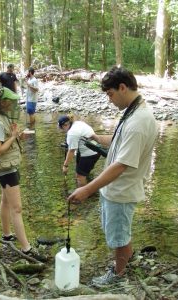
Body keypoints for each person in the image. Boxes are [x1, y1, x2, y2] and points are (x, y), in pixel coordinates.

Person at [68, 66, 158, 286]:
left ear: (123, 87)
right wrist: (97, 138)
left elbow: (121, 165)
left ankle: (118, 275)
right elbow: (120, 142)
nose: (110, 100)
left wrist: (87, 188)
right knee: (118, 233)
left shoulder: (139, 121)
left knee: (119, 237)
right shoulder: (132, 112)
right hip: (115, 190)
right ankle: (123, 264)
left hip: (121, 191)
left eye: (110, 95)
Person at [0, 87, 32, 254]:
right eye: (11, 101)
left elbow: (3, 142)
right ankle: (26, 248)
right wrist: (12, 137)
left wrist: (16, 136)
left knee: (5, 201)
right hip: (6, 170)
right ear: (3, 103)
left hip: (2, 168)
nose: (14, 104)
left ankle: (6, 236)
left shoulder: (0, 116)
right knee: (17, 208)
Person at [58, 115, 100, 187]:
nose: (62, 130)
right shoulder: (78, 123)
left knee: (80, 177)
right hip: (97, 149)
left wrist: (65, 166)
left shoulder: (72, 133)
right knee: (82, 172)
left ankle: (83, 195)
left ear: (65, 125)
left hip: (88, 154)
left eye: (62, 128)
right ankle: (88, 184)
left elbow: (71, 151)